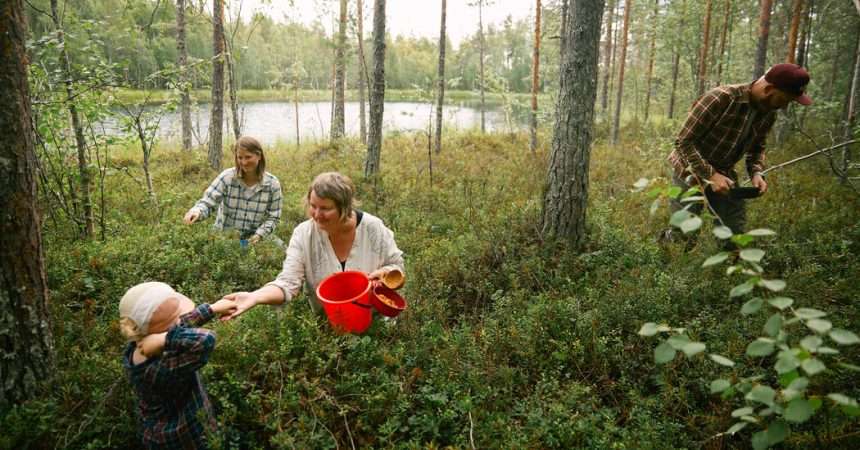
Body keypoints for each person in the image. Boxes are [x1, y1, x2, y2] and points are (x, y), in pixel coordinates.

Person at [221, 172, 405, 319]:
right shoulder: (303, 234)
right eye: (313, 206)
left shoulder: (372, 228)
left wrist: (386, 274)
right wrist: (255, 297)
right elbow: (288, 282)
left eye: (325, 208)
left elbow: (397, 269)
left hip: (374, 325)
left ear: (345, 207)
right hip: (328, 326)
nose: (316, 214)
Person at [665, 63, 812, 241]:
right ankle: (669, 252)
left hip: (725, 172)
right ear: (769, 89)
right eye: (784, 100)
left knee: (734, 230)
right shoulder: (721, 98)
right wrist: (711, 175)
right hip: (688, 170)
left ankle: (730, 263)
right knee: (684, 233)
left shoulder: (769, 112)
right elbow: (684, 142)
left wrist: (757, 172)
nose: (783, 106)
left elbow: (757, 147)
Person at [118, 282, 237, 449]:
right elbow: (206, 339)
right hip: (183, 438)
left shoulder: (138, 343)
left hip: (157, 433)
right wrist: (166, 339)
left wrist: (212, 309)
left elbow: (175, 325)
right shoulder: (160, 368)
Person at [184, 136, 282, 245]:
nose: (244, 162)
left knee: (284, 251)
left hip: (255, 239)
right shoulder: (227, 177)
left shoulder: (273, 184)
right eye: (240, 157)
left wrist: (259, 235)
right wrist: (196, 212)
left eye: (248, 157)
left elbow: (274, 217)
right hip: (225, 239)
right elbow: (208, 201)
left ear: (259, 155)